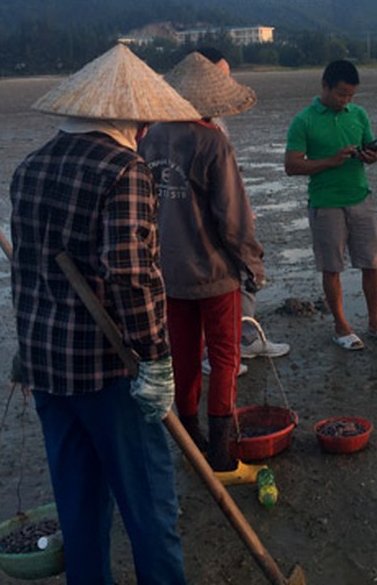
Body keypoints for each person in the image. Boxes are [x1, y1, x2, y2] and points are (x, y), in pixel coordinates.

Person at [9, 43, 197, 583]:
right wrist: (157, 360)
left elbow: (25, 268)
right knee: (150, 512)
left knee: (80, 510)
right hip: (109, 370)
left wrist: (24, 348)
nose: (143, 130)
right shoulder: (123, 171)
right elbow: (132, 276)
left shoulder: (30, 166)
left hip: (48, 371)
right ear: (129, 118)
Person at [139, 52, 266, 485]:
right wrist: (252, 263)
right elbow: (233, 219)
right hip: (214, 274)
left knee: (186, 360)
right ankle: (223, 457)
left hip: (167, 274)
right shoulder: (212, 141)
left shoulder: (149, 138)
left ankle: (190, 446)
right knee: (226, 359)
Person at [284, 59, 377, 349]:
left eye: (350, 95)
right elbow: (292, 165)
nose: (345, 100)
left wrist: (370, 155)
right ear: (325, 86)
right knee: (332, 267)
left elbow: (369, 146)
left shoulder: (358, 114)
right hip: (326, 203)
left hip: (360, 196)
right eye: (340, 94)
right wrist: (330, 161)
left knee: (372, 264)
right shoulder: (304, 120)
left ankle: (375, 322)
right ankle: (341, 326)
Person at [190, 47, 291, 366]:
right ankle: (214, 351)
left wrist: (241, 207)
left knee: (243, 270)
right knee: (217, 280)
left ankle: (245, 336)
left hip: (227, 209)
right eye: (221, 76)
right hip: (200, 220)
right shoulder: (176, 122)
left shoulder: (215, 117)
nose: (227, 82)